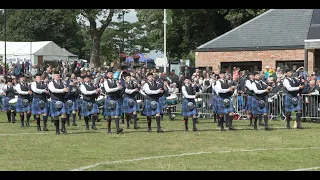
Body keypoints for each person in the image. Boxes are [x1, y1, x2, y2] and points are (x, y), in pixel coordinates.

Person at [103, 69, 123, 134]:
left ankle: (118, 129)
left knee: (117, 114)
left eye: (111, 73)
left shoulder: (116, 81)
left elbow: (119, 88)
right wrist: (117, 88)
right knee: (109, 115)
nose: (111, 75)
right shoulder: (105, 82)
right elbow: (108, 90)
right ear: (107, 75)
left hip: (115, 98)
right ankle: (109, 129)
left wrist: (120, 87)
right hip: (109, 98)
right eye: (109, 74)